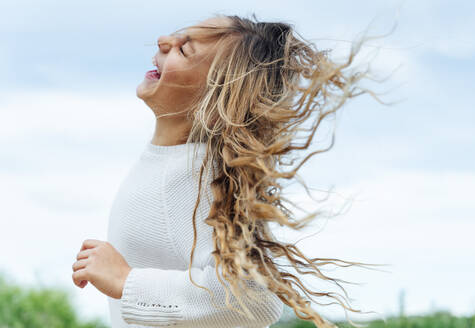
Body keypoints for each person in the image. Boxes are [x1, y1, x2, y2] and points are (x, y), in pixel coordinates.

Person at [72, 13, 391, 328]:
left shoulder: (199, 177)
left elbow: (255, 299)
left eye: (185, 50)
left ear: (212, 104)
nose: (164, 40)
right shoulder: (173, 163)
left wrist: (127, 282)